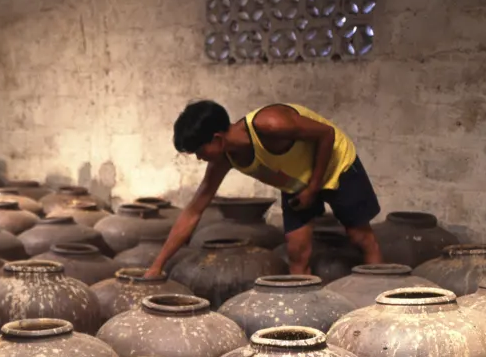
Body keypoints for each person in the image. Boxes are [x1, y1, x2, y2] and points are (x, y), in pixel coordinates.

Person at [144, 101, 383, 278]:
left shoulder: (271, 124)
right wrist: (157, 265)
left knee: (360, 237)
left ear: (216, 139)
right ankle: (304, 316)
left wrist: (314, 187)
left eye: (199, 151)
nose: (198, 158)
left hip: (335, 163)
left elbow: (326, 134)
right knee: (297, 252)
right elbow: (194, 211)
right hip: (296, 180)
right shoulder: (224, 159)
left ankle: (380, 300)